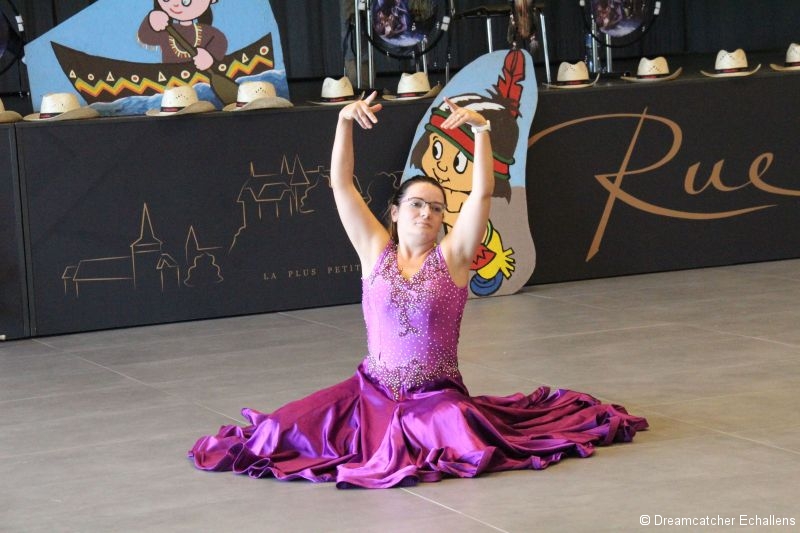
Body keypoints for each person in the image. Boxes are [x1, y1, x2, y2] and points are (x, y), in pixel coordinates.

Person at [188, 92, 648, 489]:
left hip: (436, 396)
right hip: (369, 392)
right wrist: (344, 122)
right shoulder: (374, 250)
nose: (426, 213)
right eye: (416, 204)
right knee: (281, 430)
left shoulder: (453, 257)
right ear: (395, 211)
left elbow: (481, 194)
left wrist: (482, 131)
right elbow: (341, 184)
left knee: (457, 429)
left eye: (436, 208)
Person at [137, 0, 227, 72]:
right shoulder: (166, 31)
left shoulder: (208, 32)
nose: (175, 5)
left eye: (186, 1)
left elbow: (220, 42)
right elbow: (145, 37)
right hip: (171, 77)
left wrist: (210, 57)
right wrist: (150, 21)